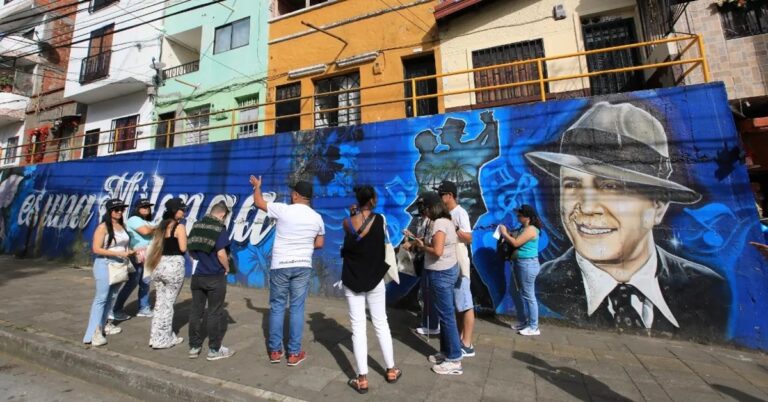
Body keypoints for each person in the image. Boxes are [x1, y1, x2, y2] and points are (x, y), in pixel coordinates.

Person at [525, 102, 730, 335]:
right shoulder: (541, 285)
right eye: (571, 185)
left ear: (658, 204)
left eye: (610, 186)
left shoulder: (708, 289)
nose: (588, 207)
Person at [249, 175, 325, 366]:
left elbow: (258, 202)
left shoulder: (283, 210)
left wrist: (257, 186)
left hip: (281, 265)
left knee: (277, 307)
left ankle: (275, 351)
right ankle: (294, 353)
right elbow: (320, 243)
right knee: (297, 309)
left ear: (295, 195)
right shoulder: (317, 218)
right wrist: (304, 245)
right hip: (302, 265)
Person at [341, 185, 402, 393]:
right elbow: (378, 239)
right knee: (381, 323)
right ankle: (391, 369)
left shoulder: (346, 222)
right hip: (375, 279)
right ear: (373, 200)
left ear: (357, 200)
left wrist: (354, 214)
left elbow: (354, 234)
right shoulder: (381, 220)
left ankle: (362, 378)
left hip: (352, 279)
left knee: (358, 328)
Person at [412, 192, 463, 375]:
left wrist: (421, 247)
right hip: (444, 271)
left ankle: (455, 359)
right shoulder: (445, 221)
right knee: (444, 315)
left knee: (447, 317)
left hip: (441, 273)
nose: (424, 212)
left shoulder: (440, 223)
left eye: (425, 208)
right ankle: (446, 352)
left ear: (432, 207)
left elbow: (438, 250)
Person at [187, 201, 235, 361]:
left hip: (198, 276)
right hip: (215, 276)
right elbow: (221, 254)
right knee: (214, 313)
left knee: (196, 311)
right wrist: (227, 268)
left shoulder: (197, 226)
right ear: (222, 215)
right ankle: (214, 350)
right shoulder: (218, 229)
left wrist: (199, 259)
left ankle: (194, 347)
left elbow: (190, 250)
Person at [83, 198, 134, 346]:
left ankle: (104, 325)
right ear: (110, 211)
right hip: (104, 264)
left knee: (112, 297)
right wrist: (118, 254)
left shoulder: (122, 226)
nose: (119, 212)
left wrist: (128, 252)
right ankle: (93, 332)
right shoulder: (103, 227)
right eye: (116, 209)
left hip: (120, 266)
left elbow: (123, 244)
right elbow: (96, 249)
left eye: (122, 209)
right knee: (101, 298)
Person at [435, 181, 475, 356]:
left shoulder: (460, 213)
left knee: (465, 304)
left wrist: (455, 227)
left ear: (449, 196)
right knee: (457, 304)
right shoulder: (445, 214)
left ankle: (467, 344)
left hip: (460, 264)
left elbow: (469, 238)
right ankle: (458, 338)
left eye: (441, 194)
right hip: (449, 265)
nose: (439, 198)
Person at [146, 198, 188, 349]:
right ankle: (163, 340)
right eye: (182, 209)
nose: (184, 211)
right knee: (168, 304)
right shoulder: (179, 227)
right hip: (174, 266)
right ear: (175, 210)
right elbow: (183, 248)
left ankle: (156, 337)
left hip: (159, 264)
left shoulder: (161, 226)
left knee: (159, 303)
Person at [499, 204, 543, 336]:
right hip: (519, 264)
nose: (517, 217)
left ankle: (534, 326)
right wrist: (508, 233)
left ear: (527, 217)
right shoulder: (523, 228)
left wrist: (505, 234)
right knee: (514, 291)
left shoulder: (531, 229)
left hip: (528, 265)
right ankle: (523, 321)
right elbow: (514, 237)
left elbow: (516, 243)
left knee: (529, 295)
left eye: (520, 215)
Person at [111, 199, 155, 321]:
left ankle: (144, 307)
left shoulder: (147, 221)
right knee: (132, 282)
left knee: (145, 283)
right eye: (143, 207)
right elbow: (146, 231)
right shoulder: (134, 219)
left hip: (148, 253)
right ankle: (116, 309)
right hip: (137, 254)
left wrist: (154, 228)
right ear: (137, 209)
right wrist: (156, 228)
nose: (147, 208)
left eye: (148, 206)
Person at [404, 195, 438, 336]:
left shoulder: (432, 222)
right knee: (425, 291)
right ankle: (428, 320)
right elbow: (420, 239)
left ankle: (433, 324)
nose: (421, 207)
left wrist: (411, 242)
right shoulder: (421, 220)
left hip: (429, 259)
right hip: (423, 260)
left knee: (430, 293)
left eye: (423, 205)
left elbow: (427, 240)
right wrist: (410, 236)